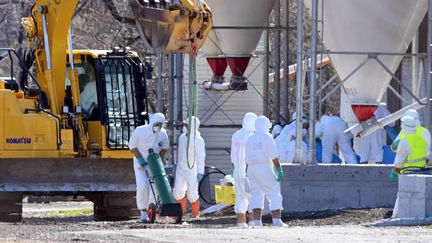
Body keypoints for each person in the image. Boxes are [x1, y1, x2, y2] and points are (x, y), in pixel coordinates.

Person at [245, 115, 287, 227]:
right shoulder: (267, 136)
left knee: (256, 195)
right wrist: (279, 170)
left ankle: (257, 222)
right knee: (274, 192)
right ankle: (277, 221)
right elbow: (274, 156)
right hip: (264, 166)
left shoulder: (250, 138)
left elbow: (246, 157)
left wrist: (246, 171)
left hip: (251, 169)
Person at [128, 113, 169, 222]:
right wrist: (141, 159)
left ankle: (152, 209)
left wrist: (159, 161)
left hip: (154, 164)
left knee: (155, 188)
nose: (158, 127)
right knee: (143, 186)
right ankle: (142, 211)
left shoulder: (163, 134)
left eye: (160, 125)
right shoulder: (140, 131)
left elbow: (164, 148)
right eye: (156, 124)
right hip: (140, 162)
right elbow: (132, 146)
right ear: (152, 122)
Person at [172, 116, 206, 218]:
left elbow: (201, 157)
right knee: (178, 192)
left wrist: (200, 172)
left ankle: (195, 213)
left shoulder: (199, 140)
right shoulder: (182, 137)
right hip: (181, 169)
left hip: (192, 170)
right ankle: (181, 213)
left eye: (187, 125)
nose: (184, 126)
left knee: (192, 194)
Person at [231, 112, 257, 228]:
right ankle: (252, 222)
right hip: (249, 169)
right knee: (253, 196)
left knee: (240, 195)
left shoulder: (236, 135)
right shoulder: (253, 135)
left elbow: (232, 156)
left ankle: (241, 222)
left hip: (237, 170)